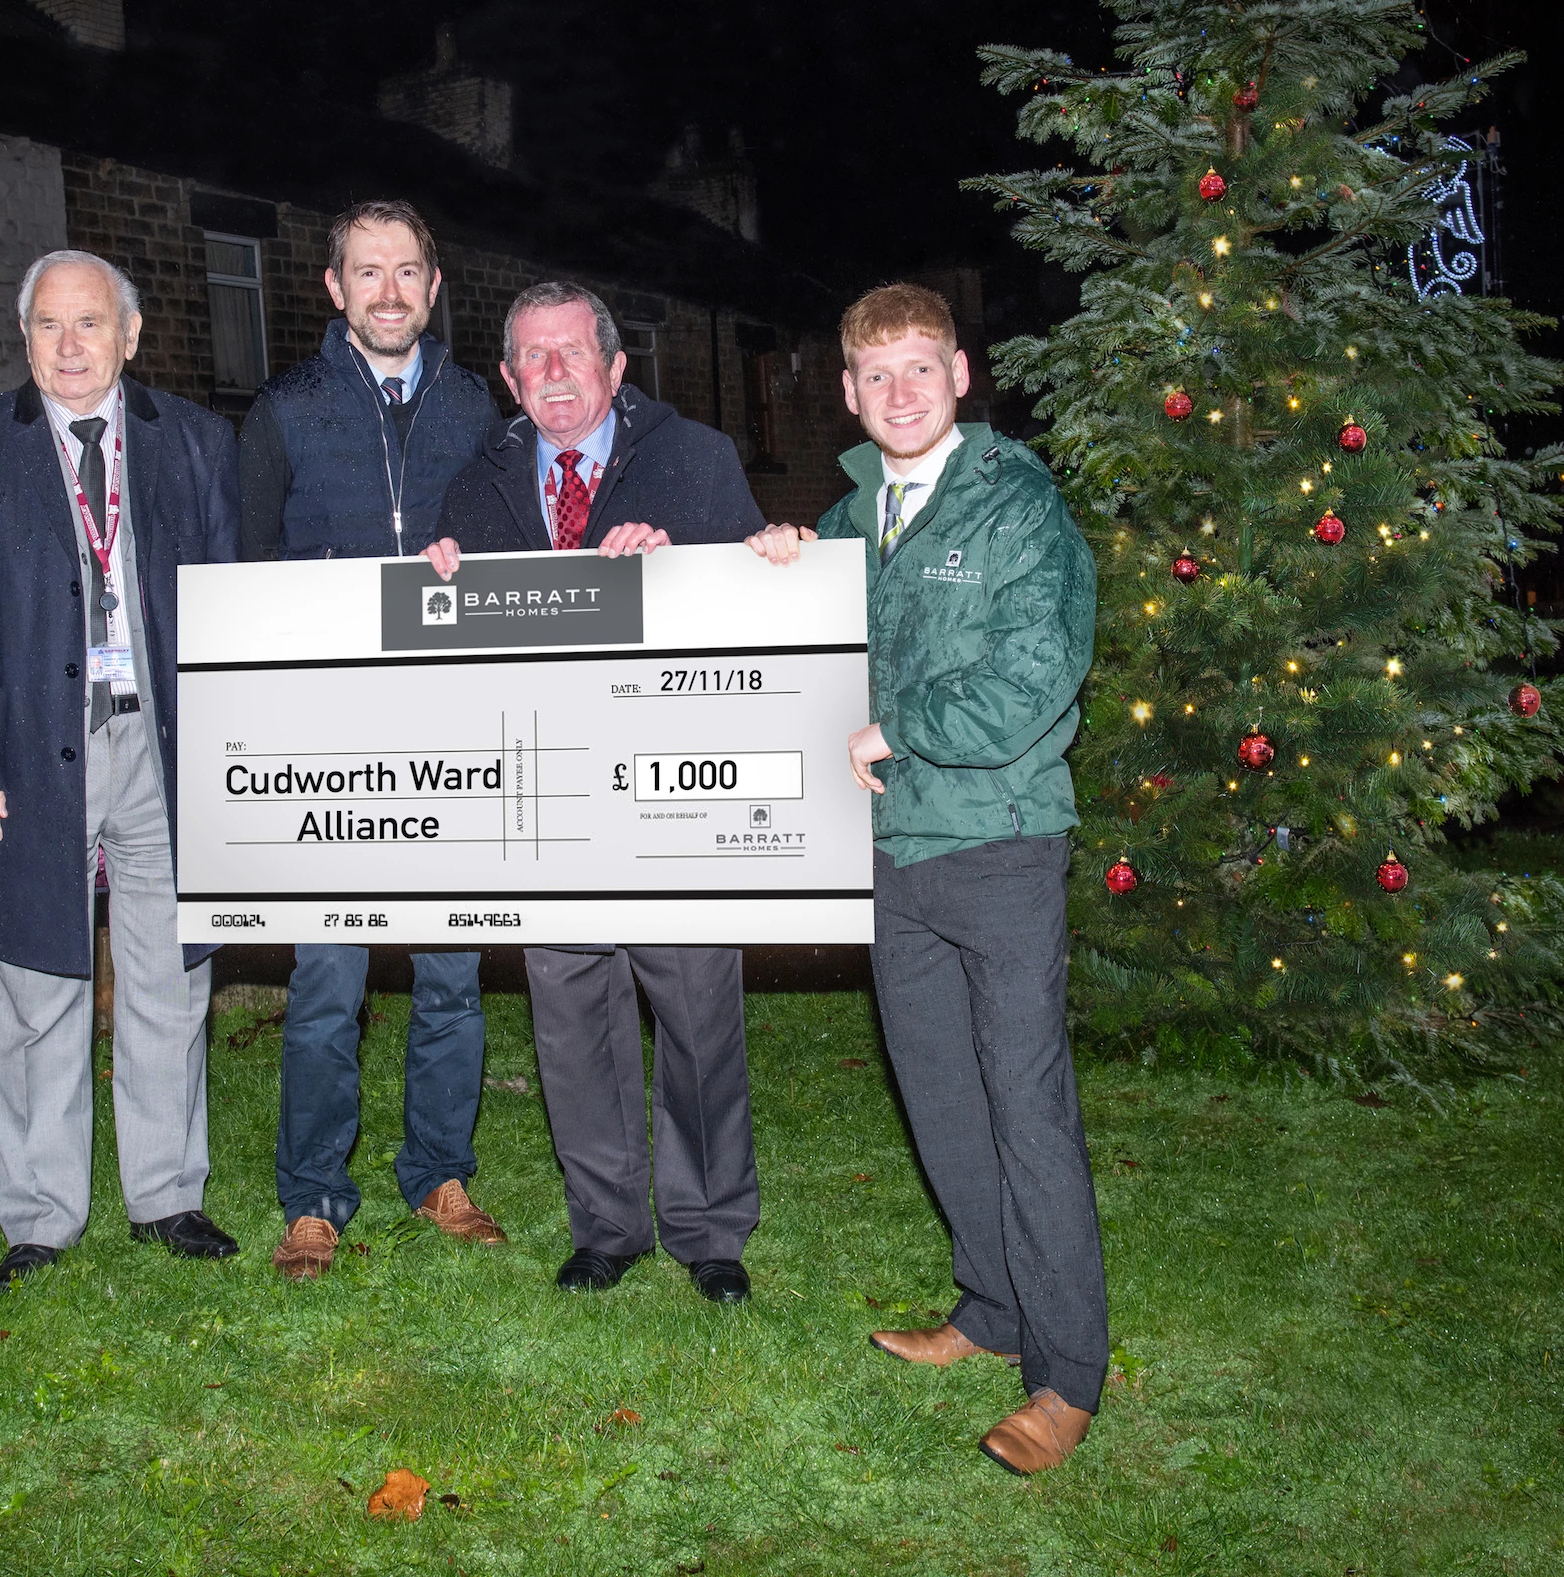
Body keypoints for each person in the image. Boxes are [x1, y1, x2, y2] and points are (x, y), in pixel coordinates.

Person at [747, 282, 1104, 1473]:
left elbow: (1037, 674)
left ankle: (1064, 1372)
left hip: (997, 841)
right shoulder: (854, 517)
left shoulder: (1015, 503)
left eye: (920, 367)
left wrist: (897, 722)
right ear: (847, 392)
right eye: (875, 374)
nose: (899, 392)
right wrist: (782, 561)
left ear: (960, 375)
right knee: (937, 1088)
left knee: (1027, 1104)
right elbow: (803, 644)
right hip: (890, 853)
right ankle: (991, 1307)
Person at [426, 281, 770, 1304]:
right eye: (531, 359)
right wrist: (433, 580)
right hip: (545, 799)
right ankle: (607, 1225)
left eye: (572, 352)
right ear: (507, 381)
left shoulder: (696, 460)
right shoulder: (475, 484)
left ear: (617, 367)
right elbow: (449, 659)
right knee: (572, 1019)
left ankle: (710, 1231)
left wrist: (683, 573)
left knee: (697, 1009)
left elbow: (761, 613)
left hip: (672, 791)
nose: (553, 373)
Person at [0, 249, 243, 1293]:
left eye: (89, 323)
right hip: (27, 759)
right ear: (24, 337)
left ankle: (168, 1195)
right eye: (48, 325)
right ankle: (41, 1216)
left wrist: (229, 758)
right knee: (39, 985)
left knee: (169, 979)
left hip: (163, 747)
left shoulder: (194, 441)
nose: (68, 345)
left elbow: (229, 610)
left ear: (130, 335)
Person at [238, 200, 507, 1280]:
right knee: (326, 980)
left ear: (433, 288)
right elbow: (245, 582)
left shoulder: (483, 409)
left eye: (406, 271)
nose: (388, 290)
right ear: (333, 288)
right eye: (366, 271)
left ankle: (438, 1170)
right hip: (327, 739)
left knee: (451, 968)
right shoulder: (283, 411)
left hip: (452, 731)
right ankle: (313, 1196)